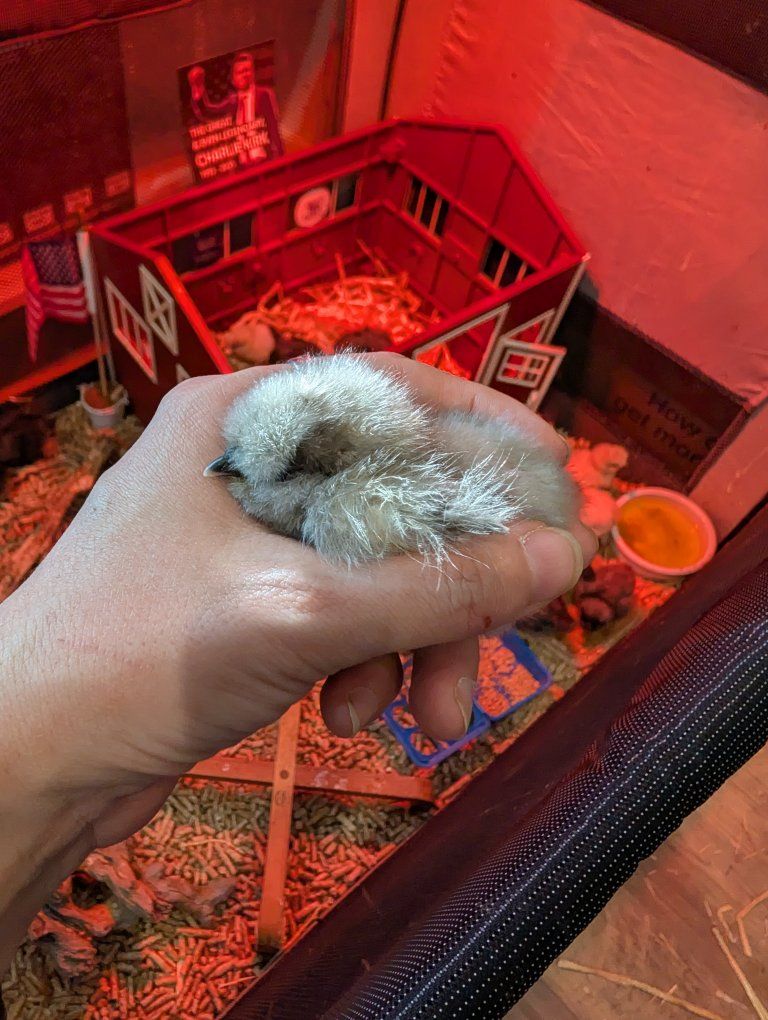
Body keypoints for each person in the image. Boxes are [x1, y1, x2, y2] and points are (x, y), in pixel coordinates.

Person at [0, 354, 595, 971]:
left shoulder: (359, 507)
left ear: (317, 471)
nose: (228, 474)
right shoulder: (376, 463)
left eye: (266, 474)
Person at [188, 52, 282, 164]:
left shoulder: (263, 95)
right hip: (242, 166)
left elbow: (273, 128)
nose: (245, 75)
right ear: (233, 79)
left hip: (264, 161)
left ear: (253, 73)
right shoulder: (232, 102)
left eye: (248, 70)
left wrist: (281, 159)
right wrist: (198, 89)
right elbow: (208, 113)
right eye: (240, 72)